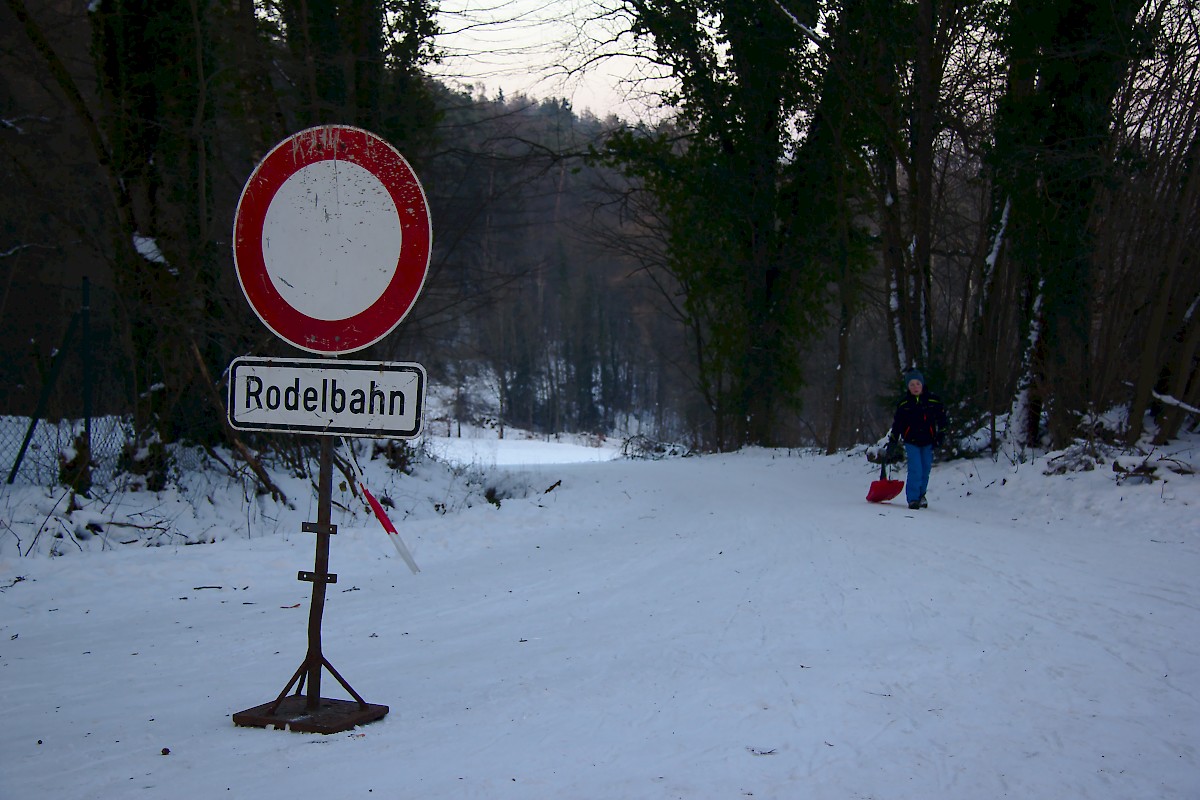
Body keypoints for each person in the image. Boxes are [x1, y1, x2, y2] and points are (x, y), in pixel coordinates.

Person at [889, 369, 948, 510]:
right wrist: (893, 440)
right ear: (908, 387)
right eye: (912, 385)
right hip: (911, 441)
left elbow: (942, 419)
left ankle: (922, 495)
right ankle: (913, 498)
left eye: (917, 384)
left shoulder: (933, 401)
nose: (915, 387)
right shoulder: (904, 404)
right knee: (915, 468)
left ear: (922, 384)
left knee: (925, 468)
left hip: (928, 441)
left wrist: (941, 434)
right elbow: (897, 424)